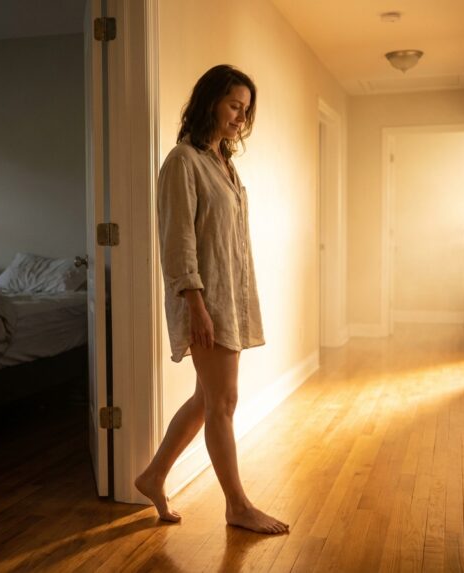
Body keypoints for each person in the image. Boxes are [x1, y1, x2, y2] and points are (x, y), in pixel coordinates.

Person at [134, 64, 289, 535]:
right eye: (234, 106)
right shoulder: (183, 162)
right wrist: (195, 304)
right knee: (223, 401)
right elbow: (177, 241)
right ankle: (237, 506)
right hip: (204, 301)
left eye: (245, 109)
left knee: (207, 399)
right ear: (210, 103)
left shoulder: (224, 164)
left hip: (229, 297)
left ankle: (153, 476)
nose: (241, 117)